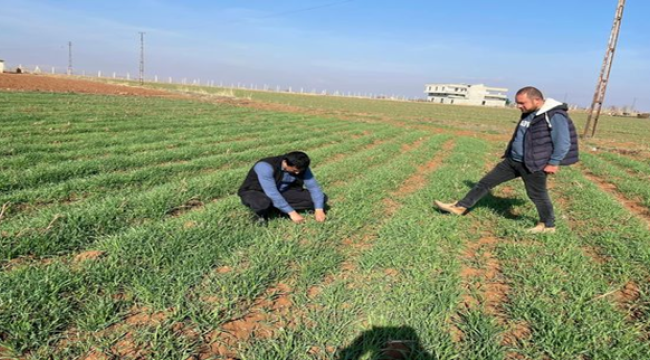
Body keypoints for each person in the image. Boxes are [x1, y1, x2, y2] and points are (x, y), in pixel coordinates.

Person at [434, 86, 579, 233]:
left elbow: (563, 142)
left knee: (537, 195)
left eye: (522, 103)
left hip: (534, 163)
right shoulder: (529, 112)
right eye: (517, 103)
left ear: (536, 100)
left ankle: (548, 226)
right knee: (485, 183)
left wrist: (553, 163)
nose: (518, 106)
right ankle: (460, 207)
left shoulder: (555, 115)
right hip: (513, 160)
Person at [238, 151, 327, 225]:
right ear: (285, 162)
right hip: (256, 191)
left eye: (299, 171)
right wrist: (293, 213)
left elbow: (314, 188)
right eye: (295, 170)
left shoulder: (301, 168)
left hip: (282, 190)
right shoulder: (265, 166)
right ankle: (261, 215)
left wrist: (319, 209)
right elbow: (272, 193)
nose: (297, 173)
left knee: (321, 198)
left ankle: (277, 208)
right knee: (262, 202)